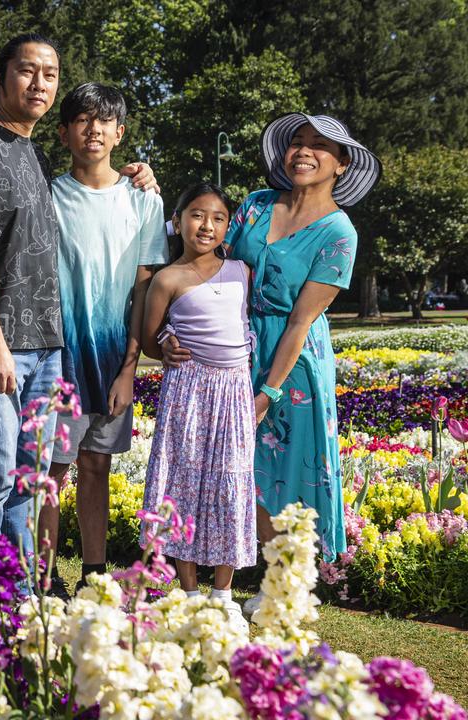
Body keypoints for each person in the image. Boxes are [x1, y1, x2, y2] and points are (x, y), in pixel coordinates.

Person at [0, 33, 156, 584]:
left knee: (28, 480)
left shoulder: (33, 154)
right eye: (27, 71)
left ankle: (18, 595)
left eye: (50, 74)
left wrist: (141, 176)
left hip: (46, 351)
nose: (39, 83)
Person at [162, 113, 381, 617]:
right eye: (296, 143)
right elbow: (207, 267)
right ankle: (270, 575)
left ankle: (289, 586)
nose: (304, 152)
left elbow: (303, 320)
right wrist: (173, 327)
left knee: (292, 470)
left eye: (319, 147)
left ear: (341, 164)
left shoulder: (338, 231)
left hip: (294, 363)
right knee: (245, 468)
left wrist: (269, 392)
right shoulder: (256, 207)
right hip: (235, 349)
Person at [42, 82, 169, 594]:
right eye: (81, 120)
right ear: (64, 131)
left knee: (96, 465)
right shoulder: (47, 194)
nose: (92, 130)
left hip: (114, 357)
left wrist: (129, 367)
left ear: (120, 132)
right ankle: (44, 576)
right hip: (58, 357)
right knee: (52, 469)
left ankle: (94, 576)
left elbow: (144, 287)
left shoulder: (143, 200)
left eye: (104, 121)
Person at [140, 183, 256, 628]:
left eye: (218, 218)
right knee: (183, 483)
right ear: (178, 220)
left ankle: (222, 594)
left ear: (228, 227)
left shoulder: (242, 271)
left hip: (233, 391)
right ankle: (188, 592)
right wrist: (166, 343)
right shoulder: (166, 279)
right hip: (188, 389)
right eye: (196, 215)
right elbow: (152, 339)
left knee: (231, 483)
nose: (206, 225)